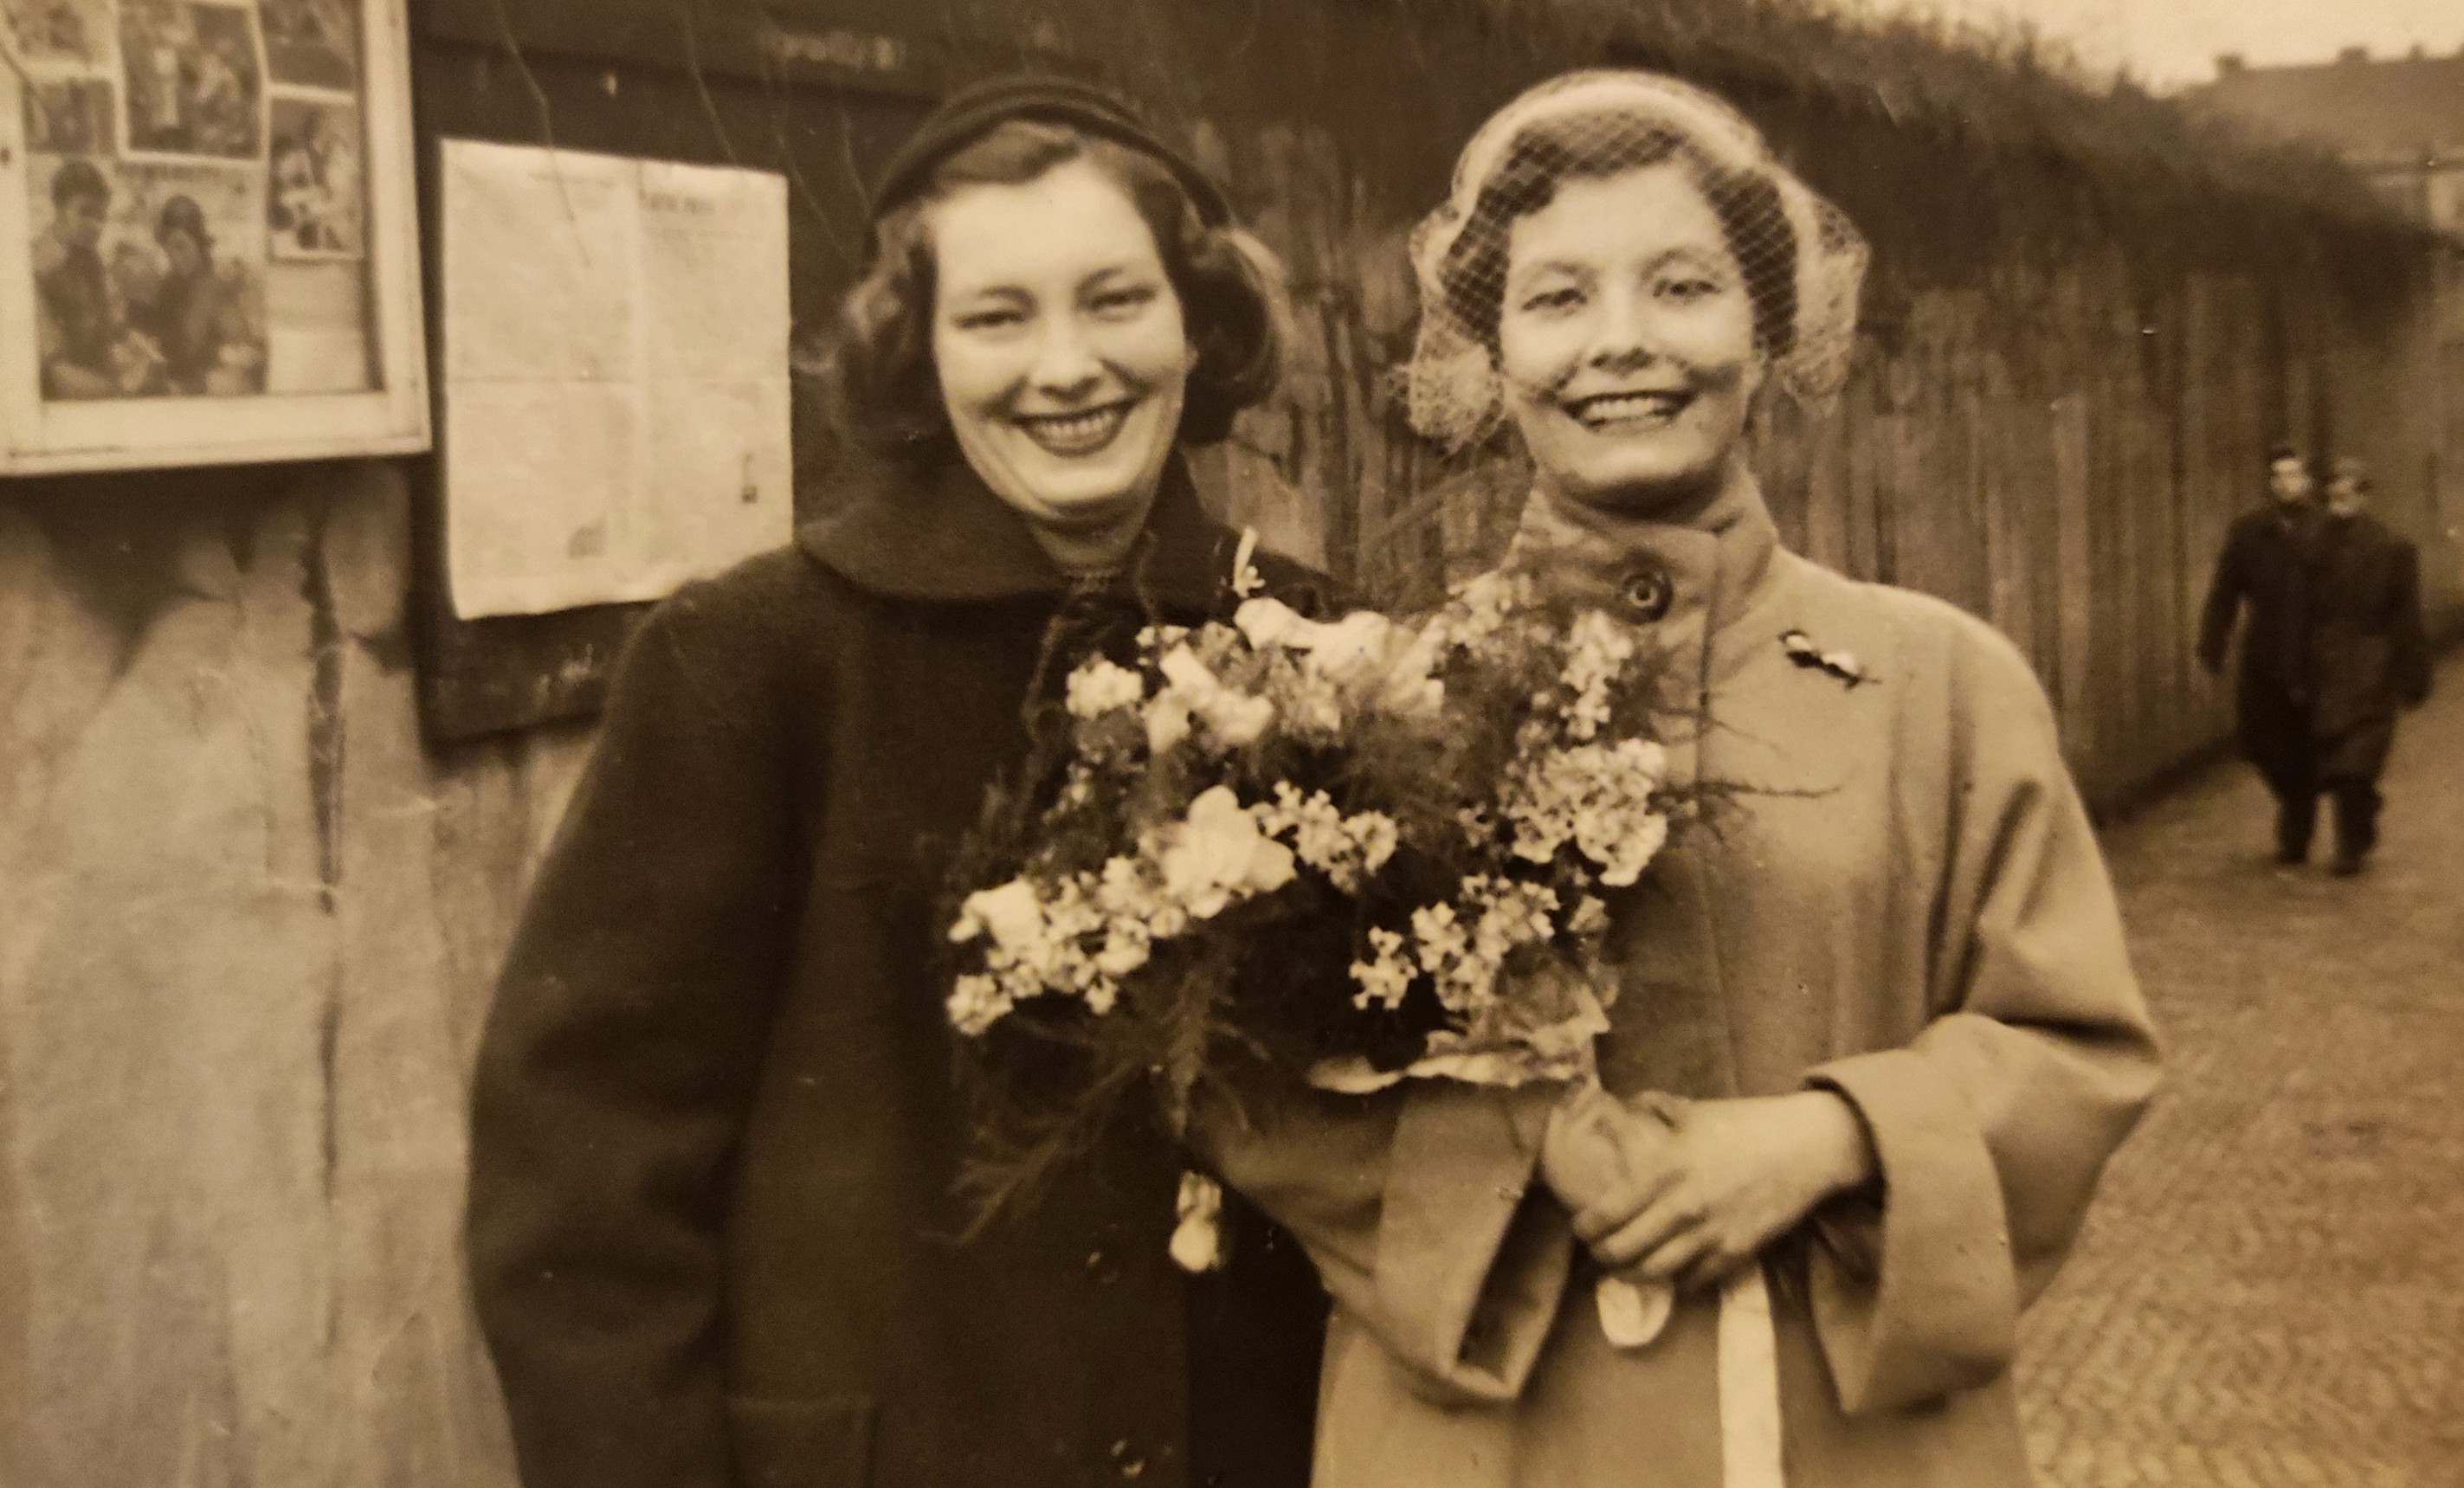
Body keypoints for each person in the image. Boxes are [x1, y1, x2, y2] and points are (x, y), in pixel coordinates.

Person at [1200, 70, 2159, 1488]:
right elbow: (1242, 1079)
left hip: (1851, 1439)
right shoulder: (1376, 698)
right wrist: (1529, 1147)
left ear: (1768, 326)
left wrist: (1834, 1134)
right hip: (1493, 1441)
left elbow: (2074, 1049)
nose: (1622, 342)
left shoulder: (1942, 683)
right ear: (1492, 350)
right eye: (1558, 297)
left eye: (1682, 286)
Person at [466, 77, 1331, 1488]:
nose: (1066, 366)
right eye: (996, 316)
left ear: (1197, 320)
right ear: (918, 351)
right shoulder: (751, 659)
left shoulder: (1320, 650)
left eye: (1115, 299)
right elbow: (585, 1182)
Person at [2197, 445, 2331, 861]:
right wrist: (2212, 645)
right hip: (2264, 654)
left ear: (2307, 481)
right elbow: (2225, 592)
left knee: (2303, 744)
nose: (2287, 484)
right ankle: (2296, 801)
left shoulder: (2326, 531)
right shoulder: (2249, 531)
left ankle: (2296, 830)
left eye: (2294, 475)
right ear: (2271, 483)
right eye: (2279, 476)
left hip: (2312, 656)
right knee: (2256, 742)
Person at [2301, 458, 2432, 873]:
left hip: (2374, 669)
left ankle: (2350, 846)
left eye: (2351, 491)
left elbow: (2406, 616)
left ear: (2364, 495)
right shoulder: (2311, 546)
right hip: (2326, 667)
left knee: (2356, 764)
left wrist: (2415, 674)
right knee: (2337, 766)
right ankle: (2362, 820)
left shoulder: (2392, 548)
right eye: (2335, 492)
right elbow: (2297, 611)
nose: (2342, 499)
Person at [134, 195, 266, 395]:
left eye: (181, 246)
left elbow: (242, 353)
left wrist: (219, 355)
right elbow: (163, 338)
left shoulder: (215, 287)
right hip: (176, 386)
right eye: (168, 249)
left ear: (198, 241)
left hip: (209, 391)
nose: (175, 257)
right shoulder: (169, 286)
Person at [34, 159, 121, 401]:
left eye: (100, 216)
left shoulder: (90, 260)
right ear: (59, 208)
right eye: (85, 212)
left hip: (97, 390)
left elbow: (106, 333)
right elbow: (56, 372)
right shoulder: (38, 270)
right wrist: (121, 392)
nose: (95, 226)